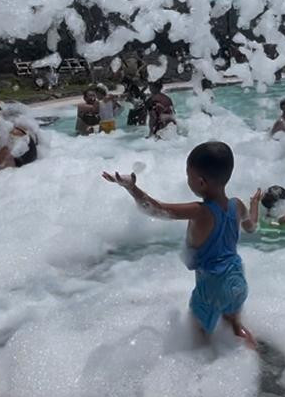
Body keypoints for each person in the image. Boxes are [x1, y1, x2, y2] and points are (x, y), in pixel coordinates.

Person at [102, 142, 261, 347]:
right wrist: (254, 204)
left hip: (211, 284)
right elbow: (252, 226)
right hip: (237, 278)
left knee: (199, 336)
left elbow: (156, 209)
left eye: (188, 176)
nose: (187, 180)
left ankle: (205, 365)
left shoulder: (200, 211)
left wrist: (131, 188)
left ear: (201, 182)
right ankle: (254, 353)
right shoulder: (237, 205)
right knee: (235, 326)